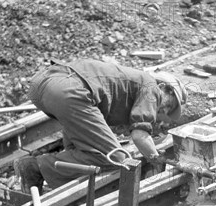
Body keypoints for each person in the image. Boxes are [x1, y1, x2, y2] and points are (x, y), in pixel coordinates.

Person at [14, 58, 187, 193]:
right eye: (169, 104)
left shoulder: (129, 84)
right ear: (163, 87)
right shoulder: (151, 87)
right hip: (70, 90)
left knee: (81, 149)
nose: (164, 110)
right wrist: (155, 158)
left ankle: (55, 178)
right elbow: (139, 135)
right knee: (116, 158)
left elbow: (92, 125)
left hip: (44, 85)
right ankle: (34, 167)